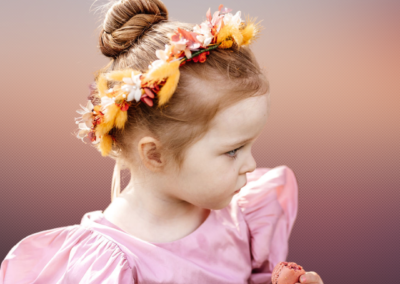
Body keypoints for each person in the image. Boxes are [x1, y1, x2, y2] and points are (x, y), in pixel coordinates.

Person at [0, 1, 324, 283]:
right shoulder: (113, 265)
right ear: (155, 155)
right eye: (233, 151)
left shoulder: (239, 219)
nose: (251, 165)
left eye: (250, 146)